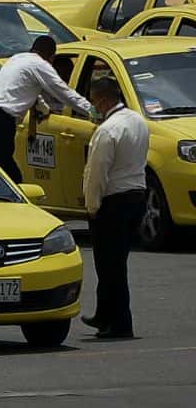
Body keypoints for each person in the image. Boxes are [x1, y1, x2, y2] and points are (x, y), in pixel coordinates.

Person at [81, 76, 148, 339]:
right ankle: (104, 315)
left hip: (114, 201)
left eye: (95, 101)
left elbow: (96, 173)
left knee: (110, 266)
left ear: (104, 100)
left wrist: (92, 205)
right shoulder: (137, 121)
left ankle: (120, 323)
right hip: (136, 197)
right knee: (115, 262)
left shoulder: (107, 130)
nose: (93, 106)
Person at [0, 36, 94, 182]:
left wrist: (44, 109)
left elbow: (29, 92)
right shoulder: (40, 65)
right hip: (0, 123)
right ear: (51, 56)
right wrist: (93, 111)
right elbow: (64, 93)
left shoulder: (16, 59)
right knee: (10, 178)